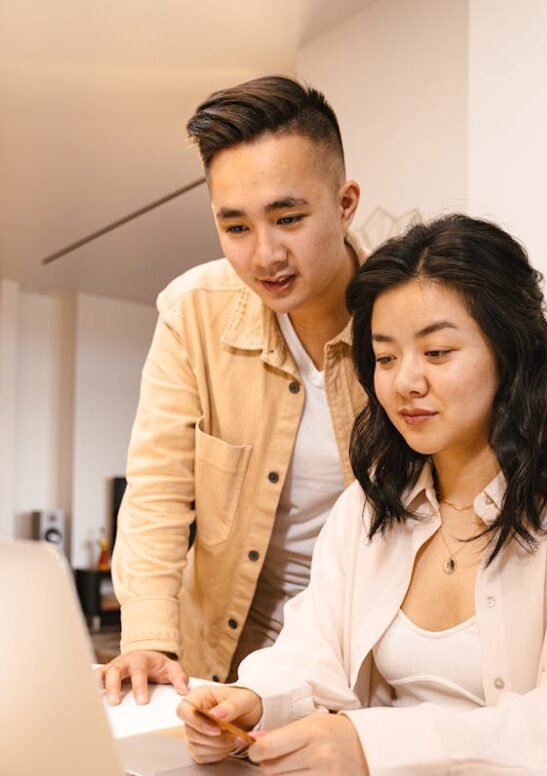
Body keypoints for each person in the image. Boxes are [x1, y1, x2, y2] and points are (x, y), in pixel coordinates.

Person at [178, 214, 547, 776]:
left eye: (437, 351)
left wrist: (376, 750)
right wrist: (252, 702)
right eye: (384, 358)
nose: (405, 382)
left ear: (510, 351)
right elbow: (312, 648)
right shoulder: (367, 506)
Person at [101, 76, 365, 704]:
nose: (265, 254)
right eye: (236, 227)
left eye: (289, 218)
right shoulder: (194, 311)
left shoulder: (409, 318)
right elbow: (158, 488)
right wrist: (146, 638)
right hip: (218, 660)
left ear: (345, 202)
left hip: (354, 669)